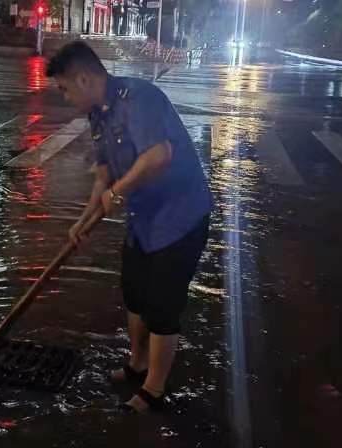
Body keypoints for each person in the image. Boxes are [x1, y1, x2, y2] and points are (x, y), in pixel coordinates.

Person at [46, 41, 212, 413]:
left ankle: (154, 389)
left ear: (84, 79)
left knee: (162, 305)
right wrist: (83, 221)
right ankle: (137, 364)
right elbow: (103, 176)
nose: (65, 97)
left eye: (64, 88)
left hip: (179, 217)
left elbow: (159, 155)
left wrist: (118, 193)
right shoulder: (97, 115)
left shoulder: (139, 98)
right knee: (135, 293)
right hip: (144, 220)